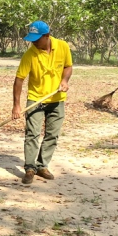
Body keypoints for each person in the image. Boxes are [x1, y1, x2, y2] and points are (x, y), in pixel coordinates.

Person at [12, 20, 73, 184]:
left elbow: (68, 66)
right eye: (31, 39)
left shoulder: (63, 46)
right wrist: (16, 105)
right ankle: (30, 168)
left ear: (47, 36)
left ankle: (42, 166)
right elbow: (19, 80)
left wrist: (65, 80)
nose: (33, 42)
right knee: (32, 134)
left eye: (37, 39)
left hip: (57, 99)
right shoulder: (30, 54)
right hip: (36, 98)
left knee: (52, 135)